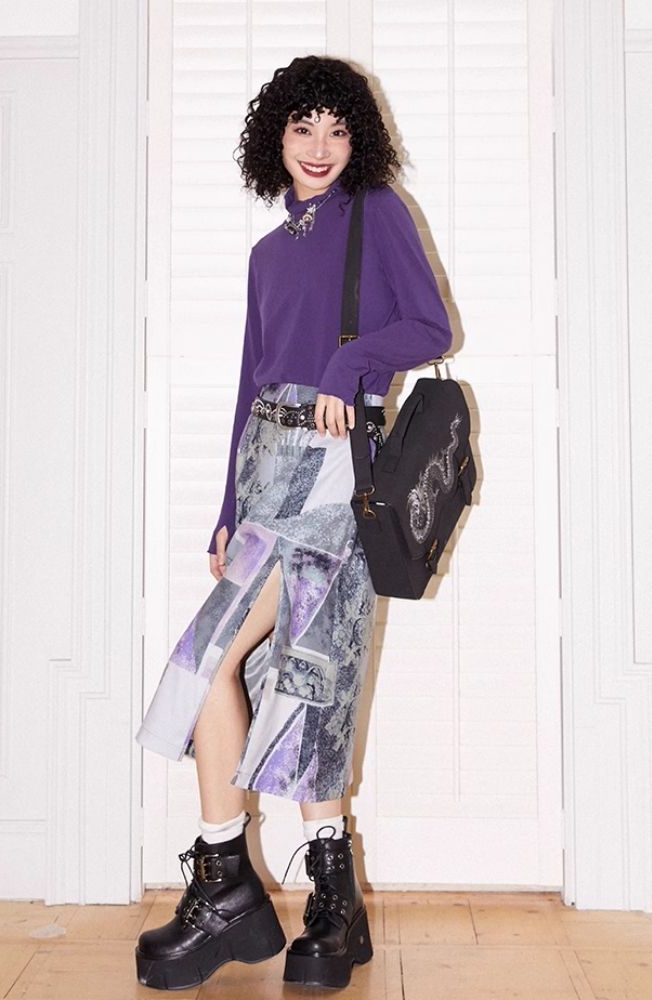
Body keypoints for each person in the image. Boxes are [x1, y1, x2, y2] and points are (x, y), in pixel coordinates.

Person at [134, 54, 453, 990]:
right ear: (274, 136)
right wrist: (226, 511)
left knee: (228, 659)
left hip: (335, 473)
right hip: (266, 469)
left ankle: (229, 883)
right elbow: (251, 381)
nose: (319, 147)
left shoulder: (376, 212)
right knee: (291, 670)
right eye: (302, 127)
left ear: (360, 140)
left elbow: (431, 327)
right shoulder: (267, 254)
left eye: (337, 130)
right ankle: (325, 899)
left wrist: (350, 366)